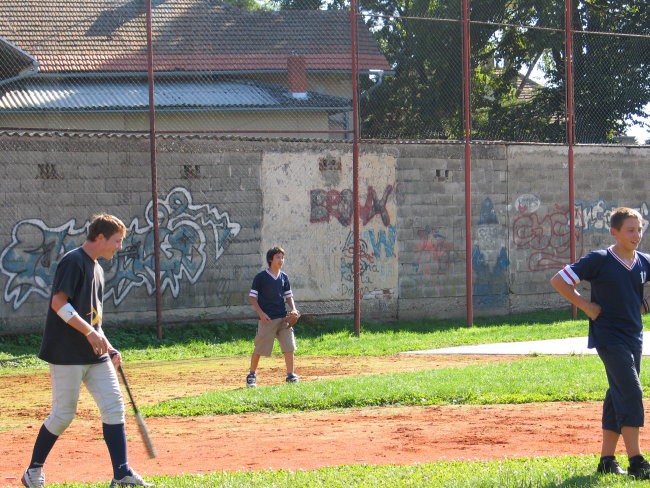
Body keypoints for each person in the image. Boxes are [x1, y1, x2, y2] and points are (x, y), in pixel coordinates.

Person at [21, 214, 151, 488]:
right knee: (63, 415)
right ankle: (33, 471)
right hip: (66, 353)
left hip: (95, 354)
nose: (119, 247)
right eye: (117, 241)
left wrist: (107, 344)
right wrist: (90, 333)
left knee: (114, 407)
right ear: (101, 237)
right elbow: (59, 304)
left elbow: (93, 320)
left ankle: (121, 473)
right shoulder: (73, 261)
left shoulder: (98, 270)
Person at [550, 207, 650, 479]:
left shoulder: (642, 261)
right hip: (608, 336)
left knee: (617, 393)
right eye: (630, 230)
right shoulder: (601, 259)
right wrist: (586, 306)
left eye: (640, 229)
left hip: (633, 336)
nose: (637, 235)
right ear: (614, 232)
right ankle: (637, 462)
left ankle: (607, 460)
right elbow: (559, 281)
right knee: (630, 390)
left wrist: (645, 303)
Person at [246, 246, 301, 387]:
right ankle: (251, 375)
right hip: (268, 319)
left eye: (282, 257)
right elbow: (252, 298)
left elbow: (289, 296)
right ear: (271, 259)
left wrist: (293, 309)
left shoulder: (284, 277)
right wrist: (261, 314)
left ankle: (290, 375)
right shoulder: (261, 277)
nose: (281, 260)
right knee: (259, 348)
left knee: (289, 347)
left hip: (283, 318)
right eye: (278, 257)